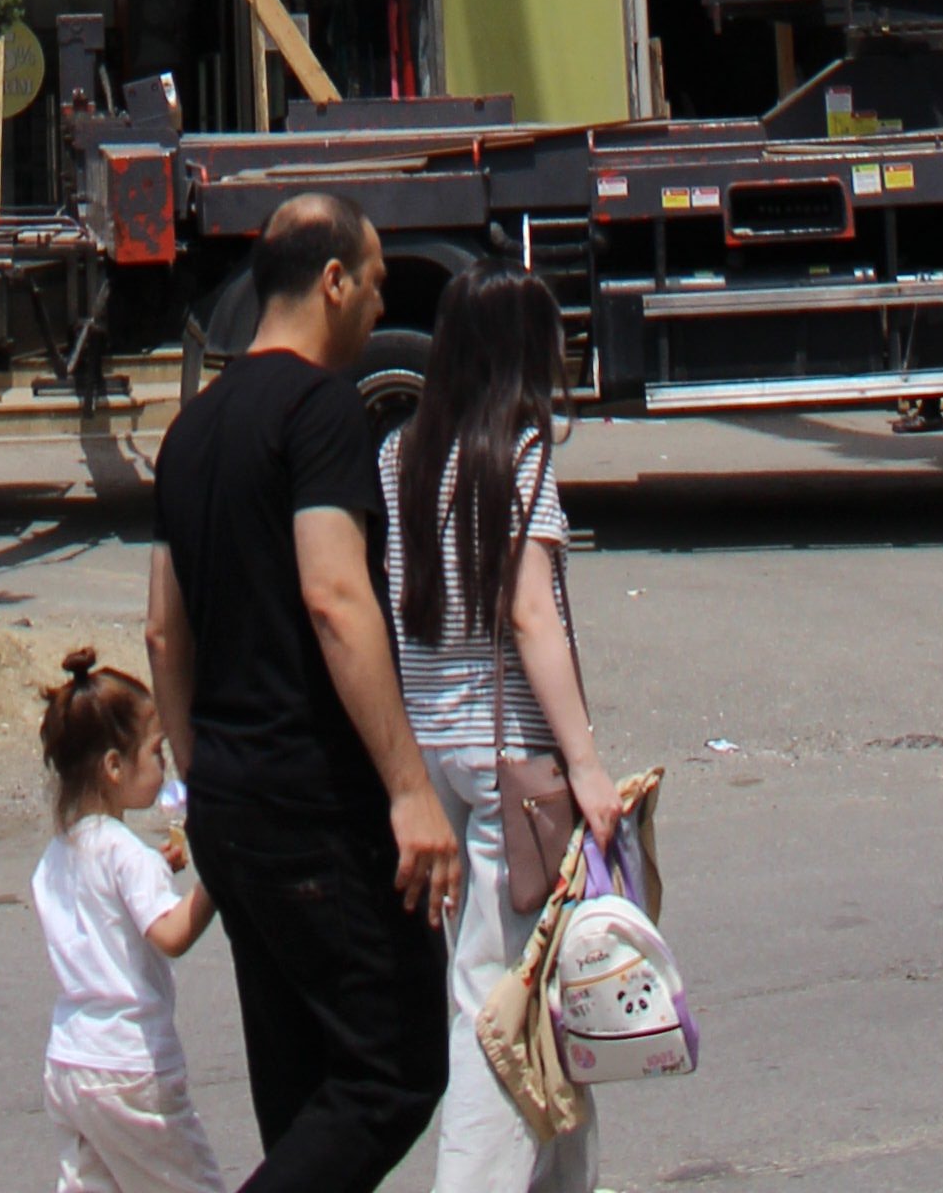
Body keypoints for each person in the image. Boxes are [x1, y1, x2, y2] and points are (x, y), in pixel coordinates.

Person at [146, 187, 461, 1193]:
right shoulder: (322, 411)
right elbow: (334, 596)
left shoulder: (190, 430)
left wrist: (204, 779)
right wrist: (409, 790)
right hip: (316, 804)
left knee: (301, 1094)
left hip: (231, 803)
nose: (379, 306)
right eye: (374, 283)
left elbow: (163, 633)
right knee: (392, 1074)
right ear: (331, 281)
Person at [380, 270, 625, 1193]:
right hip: (508, 756)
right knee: (501, 991)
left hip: (432, 747)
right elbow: (530, 613)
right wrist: (586, 764)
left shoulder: (399, 453)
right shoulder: (517, 453)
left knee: (526, 978)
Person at [35, 643, 223, 1193]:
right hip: (131, 1067)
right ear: (114, 766)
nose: (164, 765)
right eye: (156, 751)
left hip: (70, 1062)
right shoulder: (126, 854)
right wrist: (218, 879)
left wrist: (155, 872)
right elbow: (171, 934)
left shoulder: (57, 856)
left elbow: (104, 914)